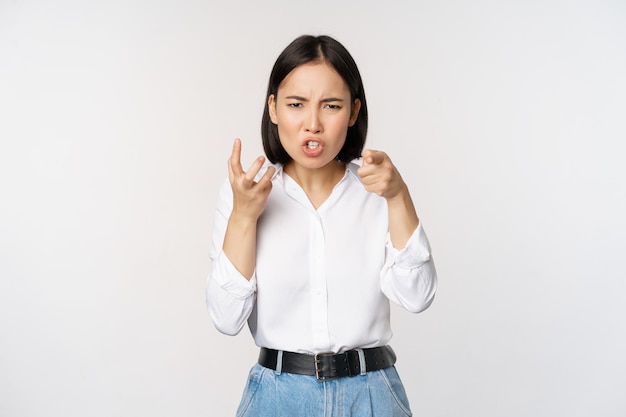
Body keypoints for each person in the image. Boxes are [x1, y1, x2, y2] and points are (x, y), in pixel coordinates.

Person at [206, 34, 437, 417]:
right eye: (296, 104)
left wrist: (399, 197)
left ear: (352, 111)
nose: (312, 124)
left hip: (372, 396)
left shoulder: (377, 189)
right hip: (278, 397)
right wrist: (244, 217)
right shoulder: (243, 195)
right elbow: (225, 318)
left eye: (331, 106)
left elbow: (418, 297)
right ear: (274, 108)